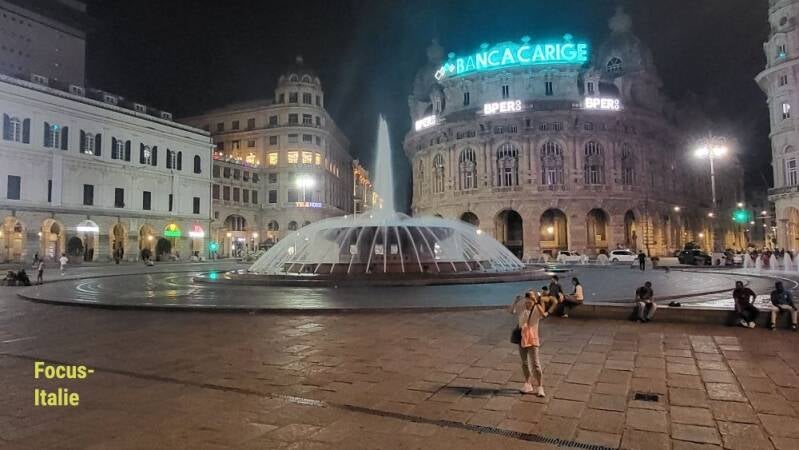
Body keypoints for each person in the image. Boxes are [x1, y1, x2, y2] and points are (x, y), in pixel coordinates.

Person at [510, 291, 547, 397]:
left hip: (533, 339)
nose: (528, 299)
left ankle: (540, 386)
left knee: (535, 364)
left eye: (530, 297)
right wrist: (515, 301)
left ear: (534, 298)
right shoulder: (522, 308)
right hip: (522, 338)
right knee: (524, 363)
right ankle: (528, 383)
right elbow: (511, 311)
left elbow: (544, 315)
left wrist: (536, 303)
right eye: (527, 297)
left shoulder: (537, 308)